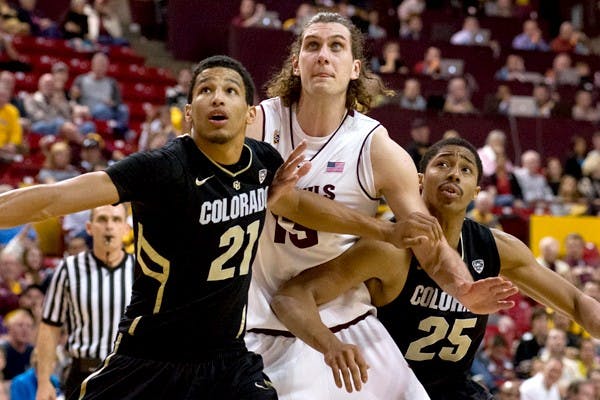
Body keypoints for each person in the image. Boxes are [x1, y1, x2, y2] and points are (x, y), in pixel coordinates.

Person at [0, 54, 430, 399]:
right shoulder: (162, 168)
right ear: (189, 113)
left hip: (227, 359)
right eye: (205, 90)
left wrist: (384, 231)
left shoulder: (263, 163)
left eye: (230, 91)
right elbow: (53, 199)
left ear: (249, 112)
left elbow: (298, 204)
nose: (217, 98)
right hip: (152, 356)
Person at [245, 13, 511, 399]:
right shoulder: (258, 124)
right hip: (259, 317)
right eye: (312, 46)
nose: (323, 55)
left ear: (355, 69)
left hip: (344, 316)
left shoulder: (376, 147)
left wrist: (461, 286)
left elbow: (426, 238)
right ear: (295, 63)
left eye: (336, 46)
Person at [270, 138, 600, 399]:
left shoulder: (496, 248)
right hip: (388, 388)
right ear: (418, 180)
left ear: (477, 191)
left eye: (466, 170)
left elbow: (576, 303)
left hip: (456, 388)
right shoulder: (389, 249)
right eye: (443, 164)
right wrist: (330, 346)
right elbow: (291, 296)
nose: (454, 173)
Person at [35, 204, 134, 400]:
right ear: (89, 227)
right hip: (84, 372)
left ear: (126, 228)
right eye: (102, 219)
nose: (109, 226)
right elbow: (50, 326)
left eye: (116, 220)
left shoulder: (139, 270)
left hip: (129, 373)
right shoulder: (69, 268)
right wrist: (44, 381)